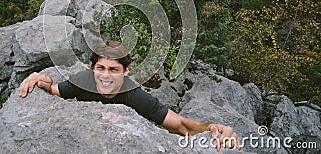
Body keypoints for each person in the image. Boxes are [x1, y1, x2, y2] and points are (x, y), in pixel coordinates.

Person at [19, 39, 242, 151]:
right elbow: (52, 89)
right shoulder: (83, 82)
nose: (106, 76)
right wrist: (41, 77)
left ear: (127, 72)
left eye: (114, 70)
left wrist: (214, 127)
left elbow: (180, 125)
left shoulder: (133, 96)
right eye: (100, 68)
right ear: (92, 68)